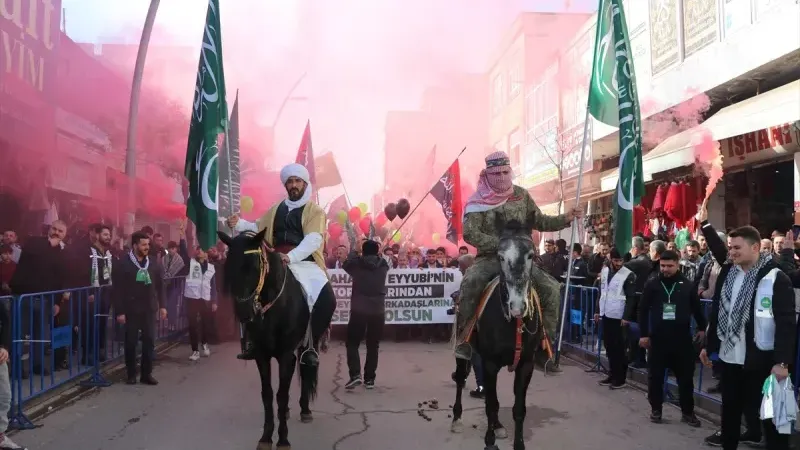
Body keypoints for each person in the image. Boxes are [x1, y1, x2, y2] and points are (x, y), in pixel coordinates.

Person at [453, 151, 581, 360]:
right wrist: (502, 245)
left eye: (506, 171)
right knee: (472, 282)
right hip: (491, 258)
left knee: (551, 289)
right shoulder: (477, 202)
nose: (502, 177)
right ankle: (464, 339)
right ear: (487, 175)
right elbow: (470, 233)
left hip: (522, 259)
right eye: (497, 173)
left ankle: (544, 344)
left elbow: (541, 221)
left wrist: (566, 218)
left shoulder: (522, 196)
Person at [697, 203, 796, 450]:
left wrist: (782, 362)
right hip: (731, 359)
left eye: (737, 248)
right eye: (730, 248)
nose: (731, 253)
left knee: (771, 419)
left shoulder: (774, 277)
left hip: (761, 361)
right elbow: (719, 311)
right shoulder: (729, 271)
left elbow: (785, 324)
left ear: (754, 247)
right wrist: (705, 225)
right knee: (730, 412)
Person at [227, 163, 337, 365]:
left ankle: (311, 345)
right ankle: (254, 341)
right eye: (290, 182)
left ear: (305, 184)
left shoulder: (315, 211)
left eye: (297, 181)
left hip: (305, 263)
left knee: (328, 299)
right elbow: (257, 226)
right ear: (286, 185)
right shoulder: (276, 209)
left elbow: (313, 240)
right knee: (252, 291)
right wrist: (239, 223)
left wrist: (292, 256)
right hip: (276, 259)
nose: (293, 185)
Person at [638, 250, 705, 426]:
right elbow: (643, 310)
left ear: (677, 264)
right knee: (655, 377)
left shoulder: (687, 285)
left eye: (669, 266)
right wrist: (644, 334)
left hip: (682, 340)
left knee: (685, 378)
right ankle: (656, 410)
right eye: (663, 266)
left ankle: (688, 412)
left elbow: (697, 309)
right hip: (658, 339)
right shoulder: (652, 284)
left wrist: (702, 328)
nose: (666, 269)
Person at [113, 231, 167, 385]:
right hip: (131, 309)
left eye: (148, 244)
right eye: (143, 244)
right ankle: (131, 374)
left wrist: (163, 306)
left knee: (149, 341)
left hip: (149, 308)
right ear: (135, 245)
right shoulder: (123, 263)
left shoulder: (153, 262)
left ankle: (146, 374)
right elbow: (117, 290)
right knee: (131, 342)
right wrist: (120, 311)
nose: (146, 247)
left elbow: (160, 285)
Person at [342, 239, 390, 389]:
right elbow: (382, 259)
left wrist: (355, 251)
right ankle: (370, 379)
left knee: (352, 343)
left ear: (363, 251)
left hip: (359, 309)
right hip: (378, 310)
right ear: (377, 251)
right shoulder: (383, 265)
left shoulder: (357, 264)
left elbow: (346, 264)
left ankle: (355, 374)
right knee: (373, 345)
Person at [594, 248, 636, 389]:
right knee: (609, 346)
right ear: (611, 259)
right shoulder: (605, 271)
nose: (619, 263)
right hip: (606, 313)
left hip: (619, 315)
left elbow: (631, 298)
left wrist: (626, 317)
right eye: (616, 260)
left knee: (619, 348)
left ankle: (620, 378)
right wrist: (597, 311)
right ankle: (612, 374)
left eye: (621, 260)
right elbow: (601, 292)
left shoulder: (628, 275)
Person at [177, 223, 218, 361]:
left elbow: (213, 286)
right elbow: (183, 252)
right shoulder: (191, 263)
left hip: (205, 299)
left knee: (206, 324)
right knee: (193, 325)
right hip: (192, 298)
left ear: (206, 254)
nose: (199, 252)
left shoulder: (212, 268)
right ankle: (195, 350)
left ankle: (205, 344)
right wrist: (182, 236)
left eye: (202, 250)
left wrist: (214, 301)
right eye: (198, 250)